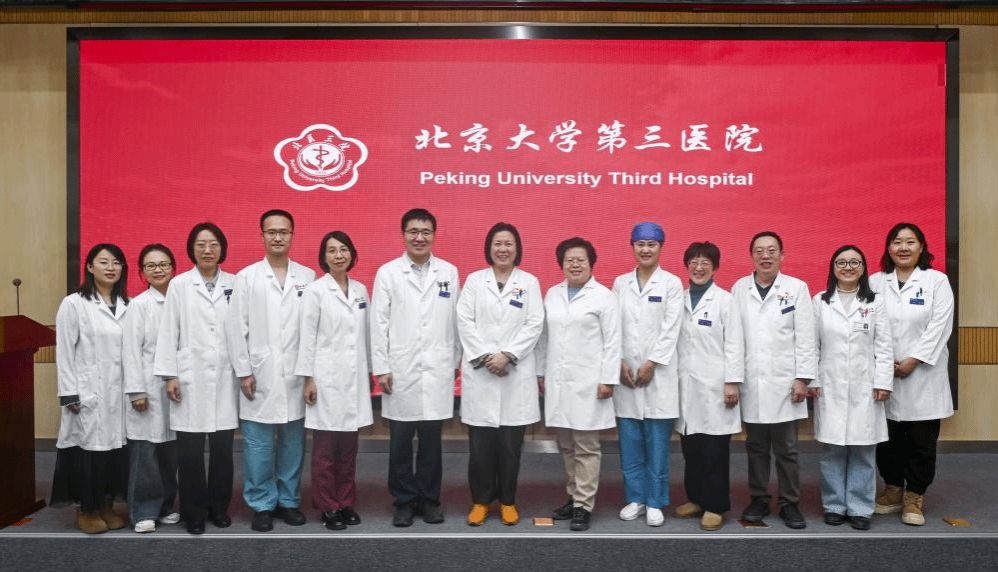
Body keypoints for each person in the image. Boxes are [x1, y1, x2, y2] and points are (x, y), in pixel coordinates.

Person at [371, 208, 461, 527]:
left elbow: (456, 322)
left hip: (437, 368)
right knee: (400, 442)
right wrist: (382, 367)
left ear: (434, 235)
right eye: (413, 231)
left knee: (431, 443)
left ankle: (429, 499)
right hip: (400, 370)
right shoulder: (388, 273)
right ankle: (405, 501)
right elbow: (378, 323)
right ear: (403, 235)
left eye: (425, 232)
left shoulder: (449, 272)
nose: (419, 237)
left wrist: (454, 362)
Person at [227, 209, 316, 532]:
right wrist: (243, 371)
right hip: (258, 374)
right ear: (262, 235)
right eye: (271, 231)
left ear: (292, 235)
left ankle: (288, 500)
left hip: (297, 374)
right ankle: (262, 503)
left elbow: (313, 329)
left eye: (284, 232)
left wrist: (310, 373)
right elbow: (236, 328)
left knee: (293, 443)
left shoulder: (308, 277)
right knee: (258, 445)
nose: (278, 237)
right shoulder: (247, 277)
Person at [154, 222, 239, 535]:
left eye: (213, 244)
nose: (207, 250)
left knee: (222, 452)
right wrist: (169, 375)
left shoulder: (235, 283)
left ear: (222, 249)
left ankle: (218, 508)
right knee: (189, 453)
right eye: (201, 244)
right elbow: (169, 331)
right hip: (189, 379)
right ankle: (194, 512)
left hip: (225, 377)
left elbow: (241, 330)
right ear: (192, 249)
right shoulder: (179, 284)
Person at [457, 222, 544, 527]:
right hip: (482, 374)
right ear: (489, 248)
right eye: (497, 243)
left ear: (517, 248)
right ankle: (480, 502)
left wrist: (507, 355)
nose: (503, 249)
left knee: (510, 447)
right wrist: (486, 356)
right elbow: (464, 321)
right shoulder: (474, 281)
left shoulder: (529, 282)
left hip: (513, 373)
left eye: (508, 244)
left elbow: (534, 323)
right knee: (480, 448)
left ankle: (507, 501)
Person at [870, 223, 954, 526]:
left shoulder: (936, 281)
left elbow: (940, 326)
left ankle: (915, 495)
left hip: (923, 376)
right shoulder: (875, 282)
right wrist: (884, 362)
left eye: (910, 242)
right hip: (885, 372)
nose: (903, 248)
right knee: (887, 439)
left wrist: (913, 360)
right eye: (896, 242)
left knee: (922, 442)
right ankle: (893, 489)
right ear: (888, 248)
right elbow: (867, 324)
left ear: (921, 247)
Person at [733, 231, 816, 529]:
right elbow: (734, 339)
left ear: (782, 255)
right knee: (755, 446)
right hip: (752, 381)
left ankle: (789, 503)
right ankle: (758, 498)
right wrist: (734, 378)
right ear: (752, 256)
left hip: (785, 383)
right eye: (759, 251)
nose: (765, 256)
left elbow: (806, 337)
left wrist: (803, 378)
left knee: (787, 449)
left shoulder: (796, 288)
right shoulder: (739, 288)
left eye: (771, 250)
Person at [539, 237, 621, 532]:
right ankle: (573, 496)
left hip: (589, 383)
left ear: (591, 263)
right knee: (566, 446)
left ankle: (584, 505)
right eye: (569, 260)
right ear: (561, 264)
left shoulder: (603, 297)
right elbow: (543, 338)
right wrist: (540, 373)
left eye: (580, 260)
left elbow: (613, 341)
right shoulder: (552, 294)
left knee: (586, 447)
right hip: (558, 382)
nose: (574, 265)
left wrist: (608, 379)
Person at [810, 245, 893, 531]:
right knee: (833, 449)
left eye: (854, 262)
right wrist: (813, 380)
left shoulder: (875, 302)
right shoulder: (820, 301)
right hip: (830, 384)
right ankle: (834, 505)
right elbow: (812, 345)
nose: (848, 267)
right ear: (833, 268)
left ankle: (860, 507)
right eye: (841, 262)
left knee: (862, 449)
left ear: (863, 268)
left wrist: (883, 381)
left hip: (865, 385)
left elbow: (884, 345)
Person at [294, 231, 373, 531]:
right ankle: (328, 505)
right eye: (332, 250)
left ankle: (346, 501)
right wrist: (308, 378)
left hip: (354, 379)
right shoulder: (315, 291)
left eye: (343, 249)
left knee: (348, 449)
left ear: (352, 254)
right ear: (323, 257)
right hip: (325, 380)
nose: (338, 255)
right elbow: (307, 337)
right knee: (326, 452)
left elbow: (366, 336)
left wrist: (370, 371)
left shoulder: (361, 290)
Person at [51, 243, 130, 534]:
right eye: (104, 262)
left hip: (118, 393)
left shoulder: (129, 305)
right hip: (87, 392)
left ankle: (107, 505)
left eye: (116, 262)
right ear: (89, 267)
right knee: (88, 452)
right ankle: (87, 509)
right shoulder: (74, 303)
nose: (111, 267)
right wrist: (69, 392)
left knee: (114, 452)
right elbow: (64, 351)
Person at [611, 222, 683, 527]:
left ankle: (655, 501)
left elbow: (671, 328)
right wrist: (619, 362)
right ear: (632, 247)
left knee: (656, 444)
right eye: (640, 244)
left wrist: (652, 363)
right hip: (626, 376)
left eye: (651, 244)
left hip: (659, 376)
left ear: (661, 247)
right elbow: (613, 326)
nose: (645, 249)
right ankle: (636, 498)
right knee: (630, 442)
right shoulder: (620, 283)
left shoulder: (672, 284)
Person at [673, 241, 744, 531]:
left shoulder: (725, 301)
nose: (699, 267)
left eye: (705, 262)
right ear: (686, 266)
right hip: (686, 386)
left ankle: (715, 505)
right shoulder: (677, 299)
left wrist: (732, 382)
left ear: (715, 268)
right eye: (693, 262)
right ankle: (696, 499)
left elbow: (735, 344)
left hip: (716, 387)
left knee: (715, 450)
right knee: (691, 448)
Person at [122, 244, 180, 533]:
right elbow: (130, 350)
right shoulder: (140, 305)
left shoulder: (181, 300)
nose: (158, 270)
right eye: (151, 265)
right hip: (147, 388)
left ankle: (166, 506)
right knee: (146, 453)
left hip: (177, 390)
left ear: (173, 268)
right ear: (142, 272)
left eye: (163, 264)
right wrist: (136, 390)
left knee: (170, 453)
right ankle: (143, 511)